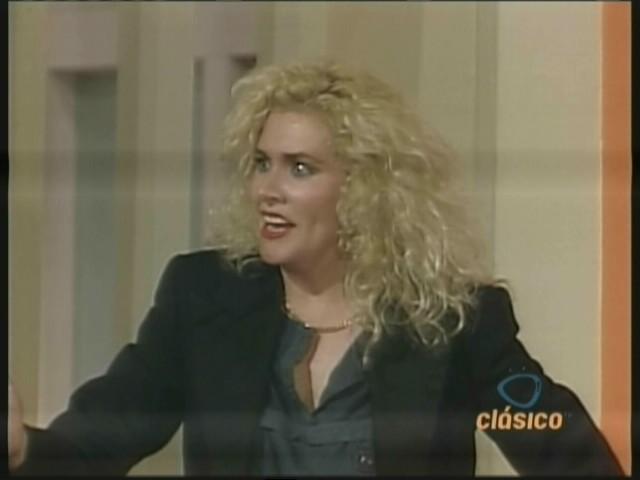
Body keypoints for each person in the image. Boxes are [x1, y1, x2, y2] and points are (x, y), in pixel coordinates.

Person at [8, 61, 623, 476]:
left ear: (365, 189)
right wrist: (19, 450)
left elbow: (561, 450)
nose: (267, 190)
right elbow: (97, 439)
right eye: (262, 163)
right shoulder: (204, 299)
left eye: (299, 168)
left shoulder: (452, 319)